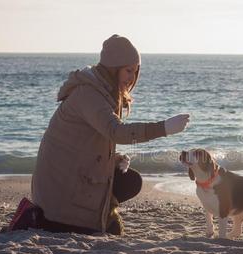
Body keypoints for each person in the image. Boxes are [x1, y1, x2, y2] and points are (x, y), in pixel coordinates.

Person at [25, 34, 189, 235]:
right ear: (113, 68)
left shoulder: (104, 92)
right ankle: (62, 221)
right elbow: (117, 132)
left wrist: (114, 159)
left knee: (130, 180)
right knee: (120, 203)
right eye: (128, 71)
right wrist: (164, 128)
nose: (132, 77)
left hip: (74, 176)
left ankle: (91, 218)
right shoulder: (88, 94)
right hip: (59, 191)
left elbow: (86, 147)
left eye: (135, 72)